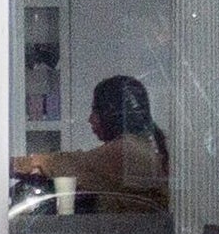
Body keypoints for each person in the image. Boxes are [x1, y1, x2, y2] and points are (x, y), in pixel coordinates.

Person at [15, 72, 170, 215]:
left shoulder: (127, 150)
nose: (90, 119)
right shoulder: (142, 146)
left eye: (96, 110)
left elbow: (71, 164)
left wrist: (16, 164)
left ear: (111, 113)